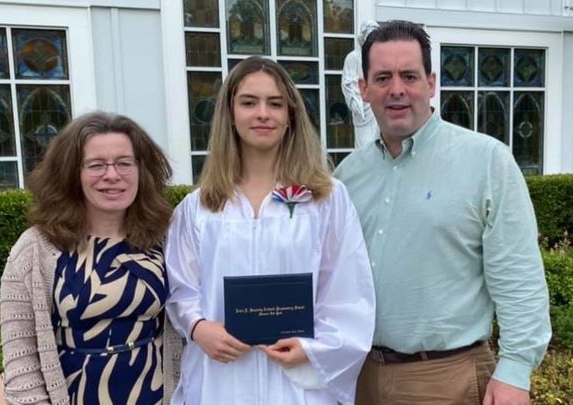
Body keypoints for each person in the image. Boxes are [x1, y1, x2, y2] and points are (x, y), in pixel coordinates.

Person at [334, 20, 551, 405]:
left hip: (447, 380)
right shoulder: (347, 177)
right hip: (359, 377)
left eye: (409, 76)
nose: (396, 89)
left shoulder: (486, 162)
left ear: (431, 83)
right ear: (363, 89)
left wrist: (515, 371)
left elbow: (519, 278)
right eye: (382, 77)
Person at [165, 56, 375, 405]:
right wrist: (198, 328)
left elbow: (348, 288)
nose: (263, 113)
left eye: (275, 103)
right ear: (230, 114)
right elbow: (180, 288)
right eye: (249, 102)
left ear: (290, 114)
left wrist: (313, 348)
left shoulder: (325, 199)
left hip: (296, 382)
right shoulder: (199, 207)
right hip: (222, 380)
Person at [0, 111, 181, 404]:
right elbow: (21, 358)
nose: (113, 175)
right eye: (96, 165)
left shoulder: (164, 238)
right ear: (72, 173)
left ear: (141, 169)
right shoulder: (35, 249)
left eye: (124, 163)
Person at [341, 20, 379, 148]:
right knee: (364, 146)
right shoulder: (353, 57)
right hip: (363, 108)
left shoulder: (378, 58)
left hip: (378, 107)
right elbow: (348, 82)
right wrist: (356, 102)